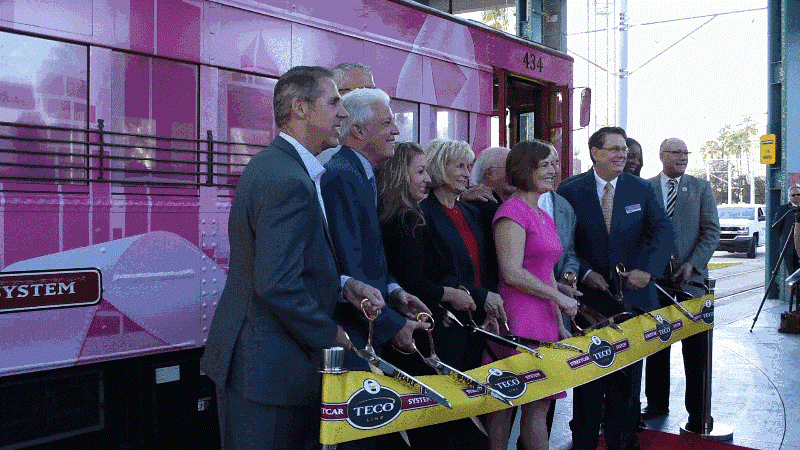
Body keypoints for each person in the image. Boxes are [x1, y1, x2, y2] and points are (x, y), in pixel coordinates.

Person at [200, 66, 384, 450]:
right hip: (266, 373)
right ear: (301, 108)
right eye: (333, 101)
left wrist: (343, 285)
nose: (343, 113)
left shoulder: (283, 167)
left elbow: (282, 265)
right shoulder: (287, 178)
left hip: (264, 368)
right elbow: (277, 283)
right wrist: (331, 334)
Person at [557, 126, 675, 450]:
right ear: (595, 152)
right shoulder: (570, 190)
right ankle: (583, 441)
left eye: (624, 149)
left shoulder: (641, 189)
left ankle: (622, 442)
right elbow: (561, 242)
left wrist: (648, 272)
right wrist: (584, 272)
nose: (622, 154)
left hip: (633, 301)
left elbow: (663, 233)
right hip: (587, 302)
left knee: (626, 383)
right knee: (589, 380)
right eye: (614, 149)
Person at [376, 141, 484, 449]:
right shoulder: (410, 217)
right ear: (400, 175)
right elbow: (413, 282)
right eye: (420, 171)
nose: (426, 178)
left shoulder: (404, 214)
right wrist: (450, 295)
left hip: (433, 327)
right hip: (423, 337)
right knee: (439, 426)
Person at [321, 88, 431, 373]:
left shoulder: (359, 173)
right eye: (387, 123)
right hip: (355, 332)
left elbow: (369, 256)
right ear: (357, 130)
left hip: (367, 325)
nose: (396, 130)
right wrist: (393, 325)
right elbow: (350, 267)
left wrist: (395, 292)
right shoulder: (343, 176)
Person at [485, 140, 579, 450]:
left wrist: (559, 322)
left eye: (554, 163)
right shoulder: (511, 211)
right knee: (505, 404)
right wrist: (559, 299)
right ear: (526, 170)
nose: (554, 170)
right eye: (546, 164)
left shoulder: (543, 214)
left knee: (539, 405)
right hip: (518, 316)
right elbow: (511, 272)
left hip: (543, 318)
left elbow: (546, 271)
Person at [416, 138, 508, 450]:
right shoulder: (421, 213)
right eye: (460, 165)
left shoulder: (470, 211)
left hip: (476, 324)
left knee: (474, 415)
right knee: (446, 420)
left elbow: (482, 268)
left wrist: (487, 308)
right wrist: (480, 297)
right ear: (439, 165)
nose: (468, 173)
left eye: (470, 166)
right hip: (444, 326)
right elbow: (425, 275)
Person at [641, 138, 720, 433]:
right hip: (656, 283)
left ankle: (697, 412)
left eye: (686, 153)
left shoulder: (701, 188)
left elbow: (711, 231)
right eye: (676, 153)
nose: (683, 157)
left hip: (693, 284)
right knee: (656, 344)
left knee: (696, 349)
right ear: (661, 156)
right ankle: (657, 403)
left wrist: (692, 265)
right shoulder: (646, 188)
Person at [317, 62, 378, 165]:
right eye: (365, 92)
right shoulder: (323, 139)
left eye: (374, 92)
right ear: (338, 93)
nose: (374, 98)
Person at [773, 186, 800, 277]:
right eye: (793, 195)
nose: (796, 197)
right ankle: (794, 291)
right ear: (790, 197)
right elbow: (777, 226)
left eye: (798, 194)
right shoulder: (784, 209)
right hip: (789, 248)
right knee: (793, 276)